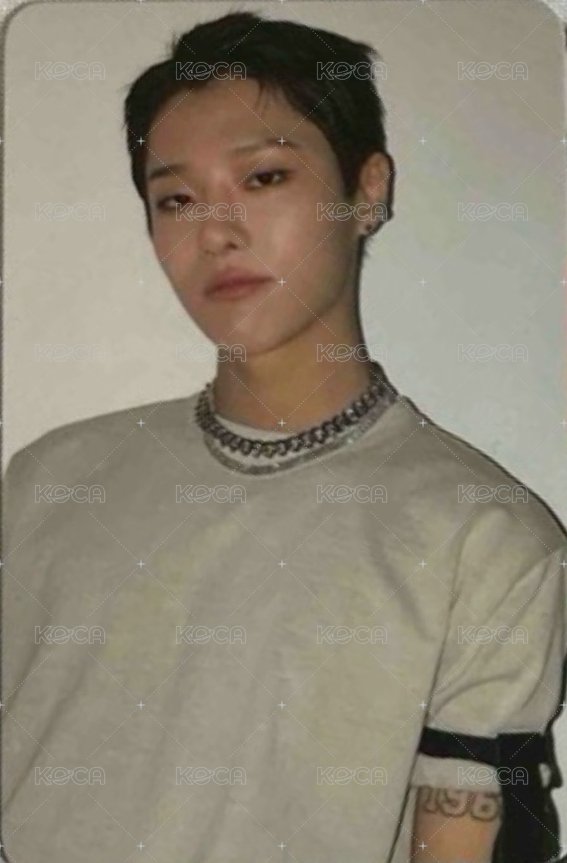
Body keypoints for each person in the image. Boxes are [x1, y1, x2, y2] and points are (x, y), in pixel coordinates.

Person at [2, 10, 566, 863]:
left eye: (263, 177)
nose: (215, 231)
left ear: (366, 190)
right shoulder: (49, 481)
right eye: (175, 198)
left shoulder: (484, 537)